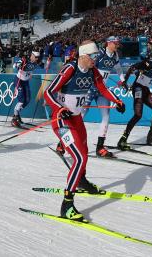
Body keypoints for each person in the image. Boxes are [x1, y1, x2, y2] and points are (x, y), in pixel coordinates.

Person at [44, 40, 124, 221]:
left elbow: (102, 88)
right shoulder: (69, 69)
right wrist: (59, 108)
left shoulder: (93, 70)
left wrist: (117, 100)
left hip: (77, 119)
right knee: (80, 157)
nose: (96, 59)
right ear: (84, 56)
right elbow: (48, 92)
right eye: (94, 56)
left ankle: (81, 180)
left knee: (85, 151)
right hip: (62, 121)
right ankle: (67, 204)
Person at [117, 45, 152, 148]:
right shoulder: (151, 63)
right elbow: (133, 67)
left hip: (145, 89)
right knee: (138, 115)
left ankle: (150, 137)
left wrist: (139, 73)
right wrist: (125, 82)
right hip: (138, 89)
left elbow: (139, 72)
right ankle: (123, 139)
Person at [82, 36, 126, 157]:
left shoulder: (115, 55)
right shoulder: (100, 53)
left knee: (106, 117)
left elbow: (118, 69)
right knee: (80, 116)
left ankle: (100, 147)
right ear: (109, 43)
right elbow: (89, 66)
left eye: (118, 43)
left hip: (102, 90)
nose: (117, 45)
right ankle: (63, 144)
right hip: (90, 88)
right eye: (116, 43)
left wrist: (122, 81)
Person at [11, 50, 43, 128]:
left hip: (26, 81)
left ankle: (17, 114)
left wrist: (48, 62)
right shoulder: (25, 60)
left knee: (28, 100)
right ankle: (14, 118)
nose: (36, 59)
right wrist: (20, 64)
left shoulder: (36, 62)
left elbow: (43, 66)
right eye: (35, 57)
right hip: (19, 80)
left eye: (37, 58)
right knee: (22, 100)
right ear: (31, 55)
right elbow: (14, 66)